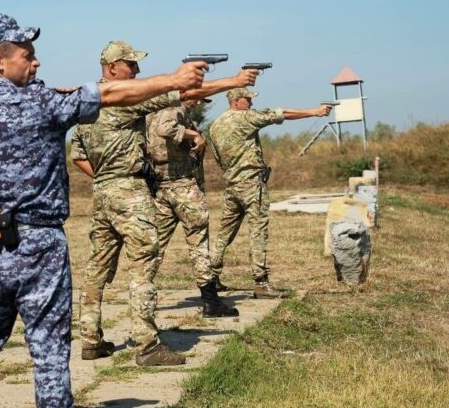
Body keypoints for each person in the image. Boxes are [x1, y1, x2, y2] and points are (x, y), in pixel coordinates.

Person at [0, 15, 206, 408]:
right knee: (49, 345)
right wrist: (172, 79)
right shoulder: (39, 104)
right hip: (40, 249)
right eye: (27, 56)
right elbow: (110, 94)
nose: (36, 64)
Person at [71, 41, 258, 367]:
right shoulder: (121, 100)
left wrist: (106, 176)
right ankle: (146, 345)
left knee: (97, 268)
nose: (138, 71)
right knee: (143, 267)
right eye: (132, 65)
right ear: (112, 67)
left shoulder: (85, 106)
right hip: (130, 192)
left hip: (102, 192)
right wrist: (233, 81)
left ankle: (90, 340)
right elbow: (180, 94)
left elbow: (77, 156)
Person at [208, 87, 331, 298]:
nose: (251, 103)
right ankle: (260, 282)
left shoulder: (215, 125)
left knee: (223, 233)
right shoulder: (245, 117)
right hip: (252, 184)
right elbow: (281, 114)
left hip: (232, 185)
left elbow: (218, 159)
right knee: (258, 232)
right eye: (247, 100)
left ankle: (210, 277)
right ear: (236, 101)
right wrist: (314, 112)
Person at [145, 98, 239, 317]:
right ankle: (210, 301)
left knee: (153, 245)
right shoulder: (173, 111)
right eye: (197, 98)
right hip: (183, 187)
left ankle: (141, 293)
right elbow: (166, 129)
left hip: (160, 187)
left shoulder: (151, 112)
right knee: (198, 244)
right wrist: (194, 135)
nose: (198, 103)